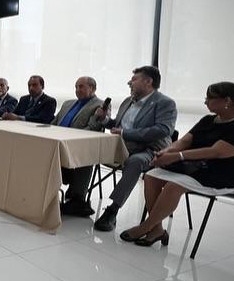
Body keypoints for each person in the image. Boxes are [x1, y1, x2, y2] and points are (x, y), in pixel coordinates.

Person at [119, 82, 234, 248]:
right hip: (197, 168)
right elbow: (185, 141)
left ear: (227, 101)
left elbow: (216, 152)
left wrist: (177, 156)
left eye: (209, 98)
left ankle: (145, 226)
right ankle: (157, 229)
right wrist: (166, 151)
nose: (205, 102)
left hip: (226, 175)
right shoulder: (209, 120)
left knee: (174, 186)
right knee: (151, 176)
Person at [90, 66, 178, 232]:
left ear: (148, 82)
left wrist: (125, 133)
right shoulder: (127, 101)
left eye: (134, 79)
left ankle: (112, 210)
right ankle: (78, 197)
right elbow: (117, 125)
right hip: (122, 146)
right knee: (89, 149)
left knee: (135, 162)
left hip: (150, 150)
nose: (129, 82)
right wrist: (105, 119)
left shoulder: (165, 103)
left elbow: (163, 130)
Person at [53, 76, 104, 216]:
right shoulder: (68, 103)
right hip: (56, 141)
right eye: (76, 87)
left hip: (78, 145)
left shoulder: (100, 105)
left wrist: (70, 138)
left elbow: (93, 128)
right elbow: (54, 122)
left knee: (86, 157)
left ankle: (77, 199)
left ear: (92, 88)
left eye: (81, 87)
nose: (77, 90)